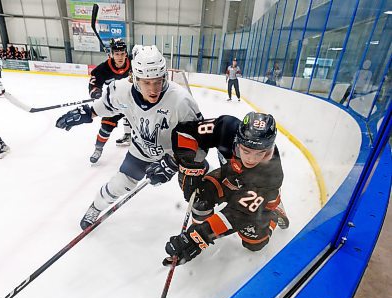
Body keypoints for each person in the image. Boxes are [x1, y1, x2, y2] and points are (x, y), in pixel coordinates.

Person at [56, 45, 203, 230]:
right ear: (134, 78)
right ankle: (96, 207)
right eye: (146, 82)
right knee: (120, 184)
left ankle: (204, 226)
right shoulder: (121, 90)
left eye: (158, 81)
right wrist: (85, 113)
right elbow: (103, 106)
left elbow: (200, 140)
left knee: (200, 186)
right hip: (141, 150)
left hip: (175, 154)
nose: (153, 89)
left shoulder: (181, 100)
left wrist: (175, 160)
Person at [162, 112, 289, 265]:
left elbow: (236, 214)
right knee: (200, 198)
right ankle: (197, 225)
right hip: (231, 176)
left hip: (256, 197)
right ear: (238, 138)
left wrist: (198, 237)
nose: (251, 159)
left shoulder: (271, 175)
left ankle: (272, 213)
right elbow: (186, 132)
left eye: (261, 153)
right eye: (246, 150)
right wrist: (188, 163)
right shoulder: (226, 127)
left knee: (254, 244)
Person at [88, 38, 132, 164]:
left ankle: (131, 138)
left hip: (132, 102)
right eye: (117, 54)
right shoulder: (103, 69)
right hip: (115, 103)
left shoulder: (134, 65)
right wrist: (95, 92)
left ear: (126, 54)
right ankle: (98, 149)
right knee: (106, 126)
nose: (120, 57)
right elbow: (94, 84)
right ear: (112, 54)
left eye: (122, 53)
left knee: (143, 125)